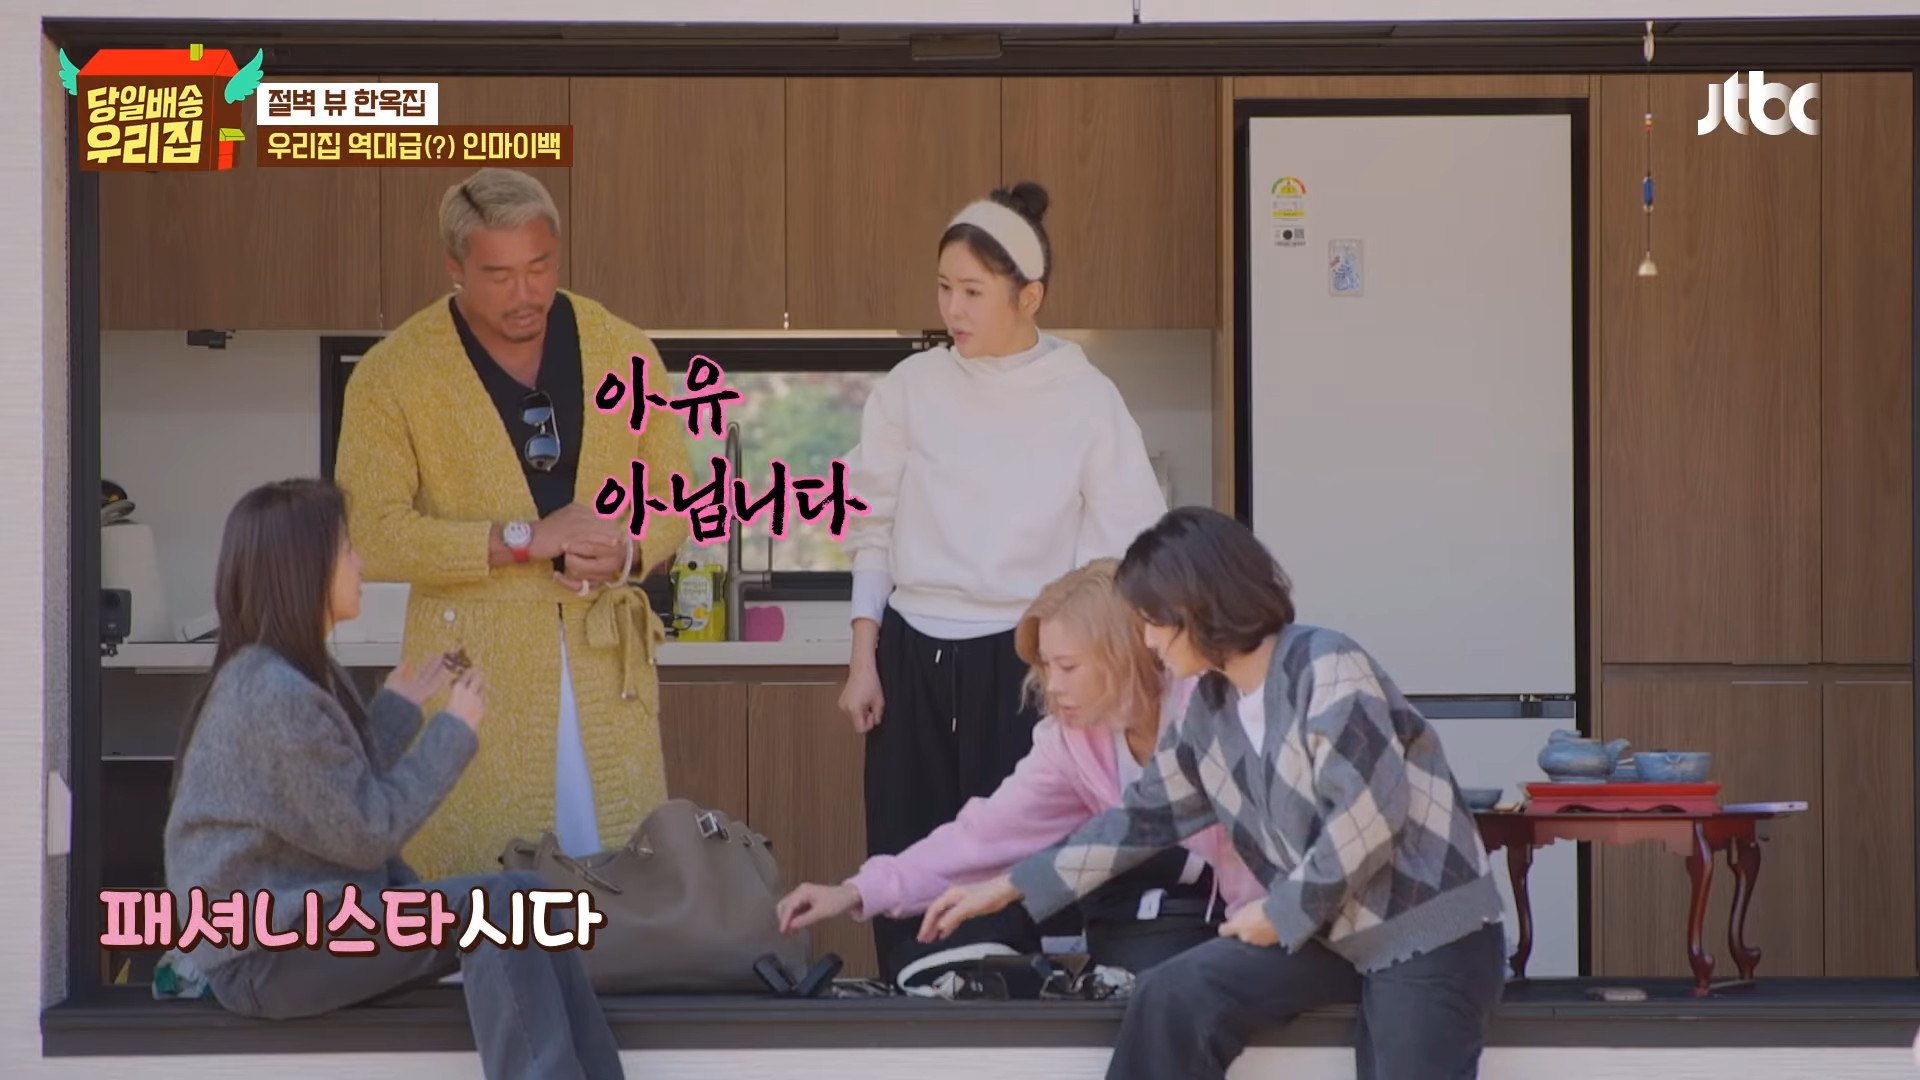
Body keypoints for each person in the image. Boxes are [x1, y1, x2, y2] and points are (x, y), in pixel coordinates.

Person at [918, 506, 1510, 1080]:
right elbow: (1138, 821)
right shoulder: (1210, 707)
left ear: (1196, 607)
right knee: (1175, 992)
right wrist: (1008, 886)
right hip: (1329, 931)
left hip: (1426, 933)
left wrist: (1279, 913)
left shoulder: (1327, 665)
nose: (1147, 640)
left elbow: (1369, 816)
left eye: (1152, 621)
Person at [164, 478, 624, 1080]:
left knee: (528, 898)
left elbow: (327, 796)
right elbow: (366, 831)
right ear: (306, 568)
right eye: (347, 549)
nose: (360, 564)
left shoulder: (283, 675)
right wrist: (452, 730)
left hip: (305, 930)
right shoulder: (272, 692)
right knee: (505, 905)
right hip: (268, 956)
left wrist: (399, 710)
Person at [838, 181, 1169, 981]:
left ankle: (1013, 1011)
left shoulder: (1086, 398)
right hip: (914, 652)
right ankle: (912, 1001)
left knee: (1012, 862)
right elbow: (870, 522)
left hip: (1026, 658)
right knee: (911, 847)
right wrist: (863, 656)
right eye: (944, 288)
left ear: (1030, 296)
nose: (953, 309)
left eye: (973, 292)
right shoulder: (910, 388)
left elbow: (1126, 551)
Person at [335, 167, 692, 881]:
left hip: (604, 673)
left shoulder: (621, 349)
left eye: (540, 267)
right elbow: (370, 533)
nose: (525, 293)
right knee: (480, 889)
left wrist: (627, 552)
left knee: (622, 892)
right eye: (498, 275)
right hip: (472, 674)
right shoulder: (393, 373)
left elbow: (675, 495)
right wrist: (520, 540)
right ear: (455, 267)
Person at [776, 559, 1263, 975]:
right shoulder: (1071, 742)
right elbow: (983, 836)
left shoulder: (1213, 710)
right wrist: (856, 891)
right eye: (1046, 667)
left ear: (1125, 656)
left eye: (1068, 667)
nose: (1053, 686)